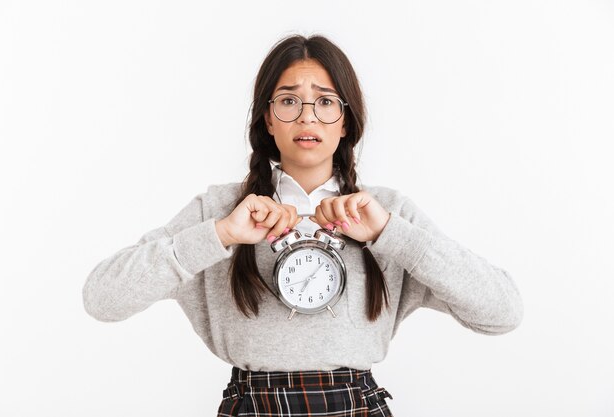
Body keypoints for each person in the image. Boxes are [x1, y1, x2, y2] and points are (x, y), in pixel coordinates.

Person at [83, 34, 523, 416]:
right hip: (252, 405)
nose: (308, 117)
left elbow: (503, 313)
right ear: (268, 118)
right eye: (289, 100)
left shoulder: (385, 212)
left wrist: (390, 234)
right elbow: (102, 298)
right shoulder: (220, 210)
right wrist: (222, 235)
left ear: (346, 120)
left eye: (326, 102)